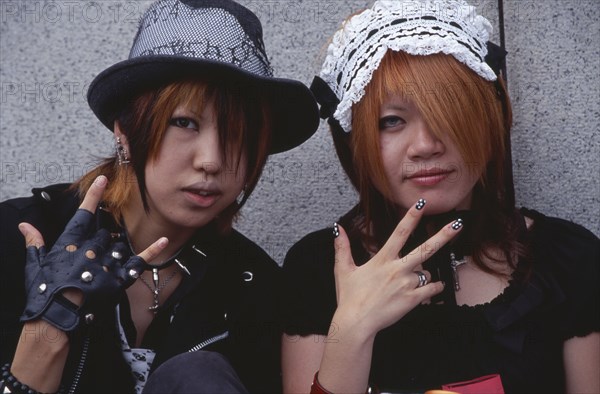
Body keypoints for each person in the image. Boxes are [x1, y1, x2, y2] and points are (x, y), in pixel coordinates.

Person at [280, 0, 600, 393]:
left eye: (450, 112)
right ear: (355, 142)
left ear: (490, 121)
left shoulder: (565, 258)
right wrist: (352, 328)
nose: (426, 145)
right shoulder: (317, 270)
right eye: (391, 121)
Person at [0, 0, 319, 393]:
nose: (211, 161)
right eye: (184, 122)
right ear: (125, 131)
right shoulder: (20, 240)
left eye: (239, 134)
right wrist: (48, 329)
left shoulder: (253, 286)